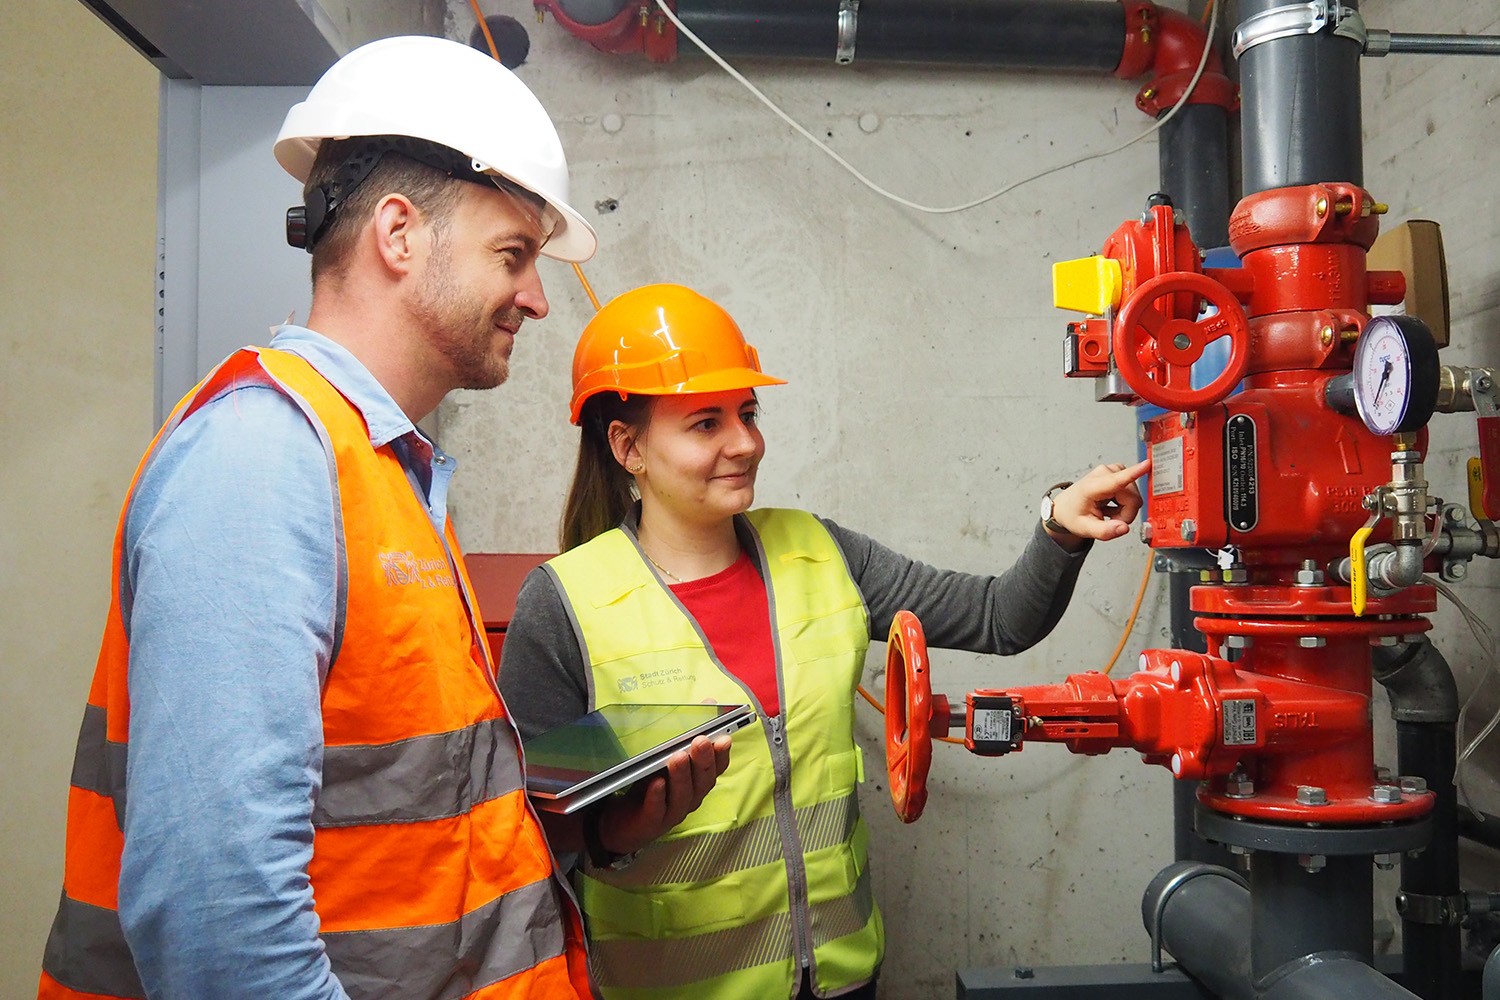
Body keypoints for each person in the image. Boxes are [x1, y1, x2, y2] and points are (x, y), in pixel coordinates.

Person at [37, 36, 724, 1000]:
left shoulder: (383, 468)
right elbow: (218, 921)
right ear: (399, 236)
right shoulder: (261, 463)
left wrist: (595, 830)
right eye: (513, 254)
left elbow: (404, 842)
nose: (534, 296)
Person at [498, 283, 1151, 1000]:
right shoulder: (565, 603)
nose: (744, 443)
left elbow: (1000, 618)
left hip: (843, 980)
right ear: (629, 447)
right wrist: (613, 839)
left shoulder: (820, 553)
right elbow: (524, 838)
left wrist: (1059, 525)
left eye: (747, 413)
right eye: (705, 424)